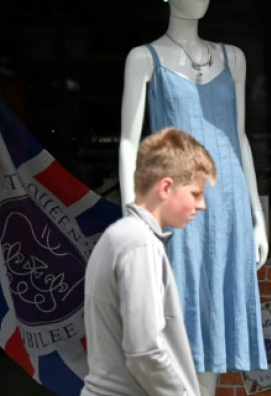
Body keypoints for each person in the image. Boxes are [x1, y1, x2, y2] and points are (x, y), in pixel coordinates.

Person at [119, 0, 268, 395]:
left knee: (216, 321)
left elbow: (239, 139)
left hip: (229, 208)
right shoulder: (144, 58)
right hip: (173, 210)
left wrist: (257, 217)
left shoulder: (233, 58)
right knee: (176, 317)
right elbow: (131, 140)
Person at [83, 127, 216, 396]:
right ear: (165, 187)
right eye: (195, 193)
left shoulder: (120, 235)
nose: (202, 205)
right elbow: (145, 351)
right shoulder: (139, 244)